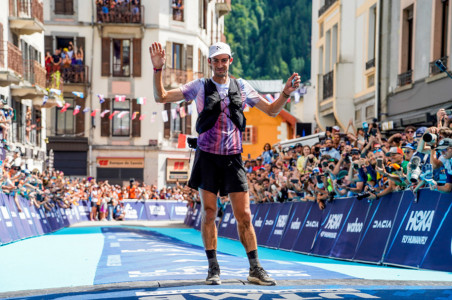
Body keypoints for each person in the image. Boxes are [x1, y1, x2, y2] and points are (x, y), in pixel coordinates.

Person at [150, 41, 301, 286]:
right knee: (209, 213)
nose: (220, 65)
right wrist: (158, 70)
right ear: (209, 63)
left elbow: (273, 111)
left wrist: (285, 93)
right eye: (215, 60)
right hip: (207, 156)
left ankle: (255, 268)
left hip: (233, 158)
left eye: (224, 60)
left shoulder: (241, 86)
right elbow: (161, 97)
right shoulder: (199, 86)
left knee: (244, 215)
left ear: (230, 60)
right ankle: (213, 268)